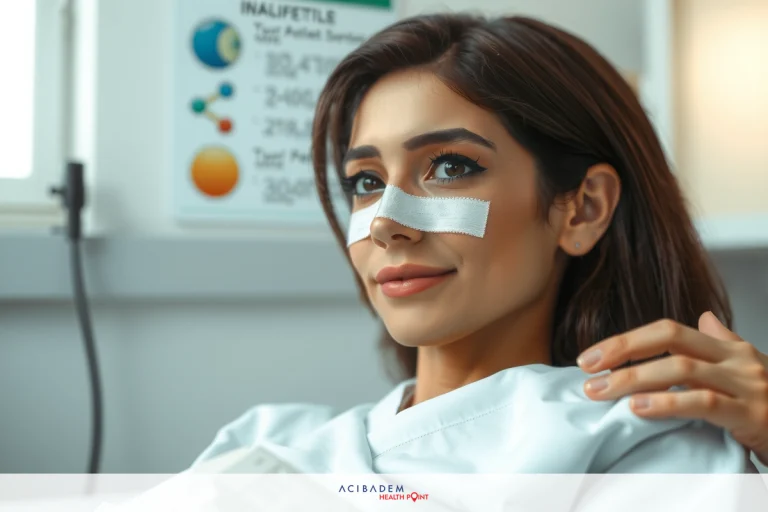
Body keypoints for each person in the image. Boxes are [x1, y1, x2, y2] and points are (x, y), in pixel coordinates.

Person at [193, 13, 768, 473]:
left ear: (583, 208)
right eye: (366, 182)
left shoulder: (648, 449)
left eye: (448, 167)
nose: (386, 223)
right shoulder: (263, 441)